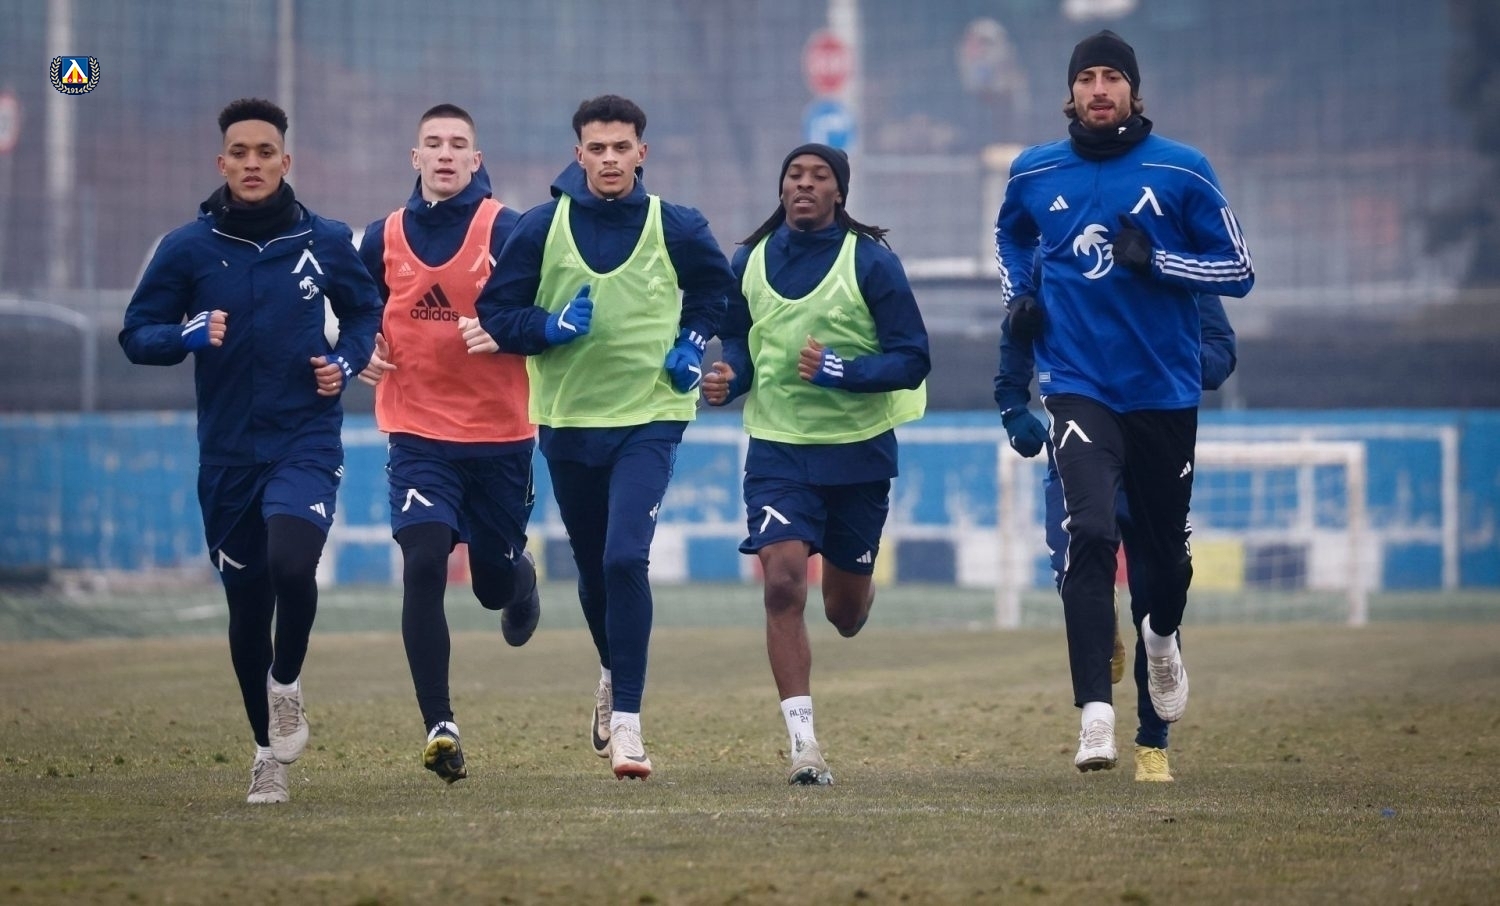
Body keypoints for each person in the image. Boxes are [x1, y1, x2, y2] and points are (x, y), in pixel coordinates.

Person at [992, 30, 1254, 774]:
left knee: (1165, 568)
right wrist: (1020, 299)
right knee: (1089, 533)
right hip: (1078, 386)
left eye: (1112, 77)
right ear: (1071, 91)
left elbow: (1238, 270)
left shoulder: (1183, 169)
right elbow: (1011, 238)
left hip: (1162, 393)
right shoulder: (1035, 169)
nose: (1099, 89)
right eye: (1087, 78)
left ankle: (1161, 639)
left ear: (1134, 91)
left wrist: (1161, 262)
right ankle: (1096, 719)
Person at [463, 94, 734, 780]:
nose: (610, 159)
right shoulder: (539, 227)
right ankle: (612, 671)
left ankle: (630, 727)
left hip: (650, 415)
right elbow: (496, 313)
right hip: (568, 419)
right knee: (592, 568)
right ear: (578, 154)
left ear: (642, 152)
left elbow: (719, 294)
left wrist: (692, 341)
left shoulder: (677, 224)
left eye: (621, 147)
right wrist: (549, 328)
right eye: (597, 148)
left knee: (623, 559)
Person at [120, 97, 382, 803]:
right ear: (222, 162)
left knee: (293, 564)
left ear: (285, 161)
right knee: (246, 605)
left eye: (265, 152)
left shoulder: (325, 239)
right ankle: (267, 754)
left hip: (305, 438)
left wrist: (346, 362)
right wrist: (183, 335)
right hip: (229, 455)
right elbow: (136, 333)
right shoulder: (187, 248)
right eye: (240, 153)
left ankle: (286, 684)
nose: (253, 163)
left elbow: (365, 311)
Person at [702, 144, 931, 785]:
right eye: (794, 176)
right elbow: (742, 344)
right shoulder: (748, 260)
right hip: (778, 450)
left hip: (859, 453)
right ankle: (804, 747)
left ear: (839, 192)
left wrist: (842, 371)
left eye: (819, 176)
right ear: (781, 189)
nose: (804, 184)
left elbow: (913, 358)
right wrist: (729, 376)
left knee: (844, 615)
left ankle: (857, 582)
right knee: (781, 583)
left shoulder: (872, 261)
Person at [355, 103, 539, 786]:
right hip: (418, 433)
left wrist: (509, 329)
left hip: (500, 437)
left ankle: (519, 579)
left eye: (457, 144)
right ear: (415, 158)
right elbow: (349, 310)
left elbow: (549, 313)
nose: (444, 154)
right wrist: (358, 347)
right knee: (424, 560)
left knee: (490, 585)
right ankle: (440, 726)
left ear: (475, 158)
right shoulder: (383, 237)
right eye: (432, 143)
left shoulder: (510, 230)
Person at [995, 292, 1237, 781]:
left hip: (1155, 437)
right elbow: (1020, 321)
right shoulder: (1064, 256)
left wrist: (1165, 359)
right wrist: (1011, 400)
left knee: (1156, 586)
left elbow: (1220, 349)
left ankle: (1153, 743)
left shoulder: (1176, 263)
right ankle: (1097, 713)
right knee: (1075, 563)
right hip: (1082, 437)